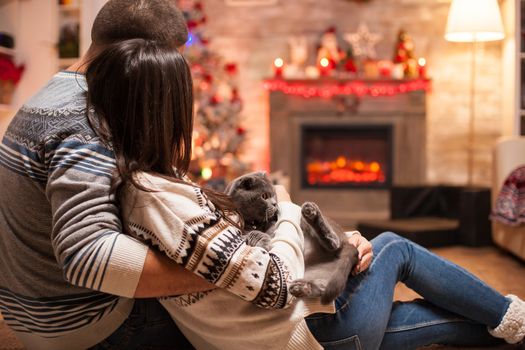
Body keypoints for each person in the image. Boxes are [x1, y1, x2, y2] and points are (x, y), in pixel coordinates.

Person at [84, 37, 525, 349]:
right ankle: (510, 315)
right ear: (160, 110)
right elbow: (274, 283)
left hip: (291, 336)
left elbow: (239, 253)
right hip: (304, 333)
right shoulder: (157, 198)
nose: (192, 111)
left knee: (443, 321)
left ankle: (508, 321)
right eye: (185, 100)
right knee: (395, 248)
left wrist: (337, 248)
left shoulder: (144, 186)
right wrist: (288, 204)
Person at [0, 1, 236, 349]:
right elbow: (88, 256)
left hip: (30, 312)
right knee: (238, 313)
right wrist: (225, 276)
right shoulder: (85, 119)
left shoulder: (58, 89)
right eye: (169, 62)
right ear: (141, 57)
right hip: (79, 325)